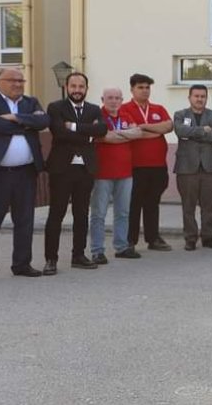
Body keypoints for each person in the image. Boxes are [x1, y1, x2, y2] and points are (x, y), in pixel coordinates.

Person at [0, 68, 49, 285]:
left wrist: (14, 117)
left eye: (20, 80)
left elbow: (43, 122)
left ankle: (22, 264)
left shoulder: (31, 102)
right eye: (12, 80)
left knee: (24, 220)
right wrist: (26, 123)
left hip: (25, 172)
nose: (17, 84)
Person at [43, 71, 107, 274]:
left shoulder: (94, 109)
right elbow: (59, 133)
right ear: (67, 88)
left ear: (87, 89)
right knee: (56, 214)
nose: (77, 90)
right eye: (73, 86)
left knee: (82, 214)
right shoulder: (55, 107)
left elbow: (102, 130)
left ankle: (78, 255)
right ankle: (51, 259)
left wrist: (73, 127)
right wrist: (87, 133)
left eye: (81, 87)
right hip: (62, 169)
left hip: (85, 168)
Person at [120, 73, 174, 252]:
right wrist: (154, 131)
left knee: (153, 203)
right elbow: (132, 132)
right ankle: (130, 240)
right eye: (140, 87)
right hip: (135, 166)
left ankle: (153, 238)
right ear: (132, 89)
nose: (144, 91)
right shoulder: (124, 109)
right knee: (134, 204)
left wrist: (142, 126)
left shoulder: (158, 108)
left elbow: (168, 126)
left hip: (158, 165)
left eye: (147, 87)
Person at [91, 87, 142, 262]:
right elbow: (103, 137)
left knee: (123, 212)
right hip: (102, 174)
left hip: (125, 173)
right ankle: (97, 250)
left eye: (117, 98)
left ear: (122, 100)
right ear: (102, 99)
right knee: (99, 214)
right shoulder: (97, 116)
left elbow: (138, 133)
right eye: (110, 98)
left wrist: (114, 134)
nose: (114, 101)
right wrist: (125, 135)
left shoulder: (126, 116)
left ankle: (121, 247)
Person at [173, 84, 212, 251]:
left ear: (206, 98)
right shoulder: (180, 115)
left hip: (209, 167)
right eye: (196, 96)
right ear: (189, 97)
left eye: (203, 96)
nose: (199, 99)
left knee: (209, 205)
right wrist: (203, 131)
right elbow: (180, 131)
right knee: (188, 205)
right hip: (187, 167)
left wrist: (192, 133)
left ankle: (208, 237)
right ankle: (190, 238)